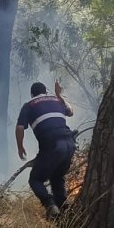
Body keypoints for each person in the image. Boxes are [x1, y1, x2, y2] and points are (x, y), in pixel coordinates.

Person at [15, 80, 75, 220]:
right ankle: (64, 211)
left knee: (35, 180)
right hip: (70, 144)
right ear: (45, 92)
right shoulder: (56, 100)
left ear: (32, 94)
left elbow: (19, 128)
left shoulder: (29, 105)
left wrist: (20, 147)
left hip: (52, 146)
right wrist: (59, 95)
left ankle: (50, 204)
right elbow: (70, 112)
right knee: (57, 177)